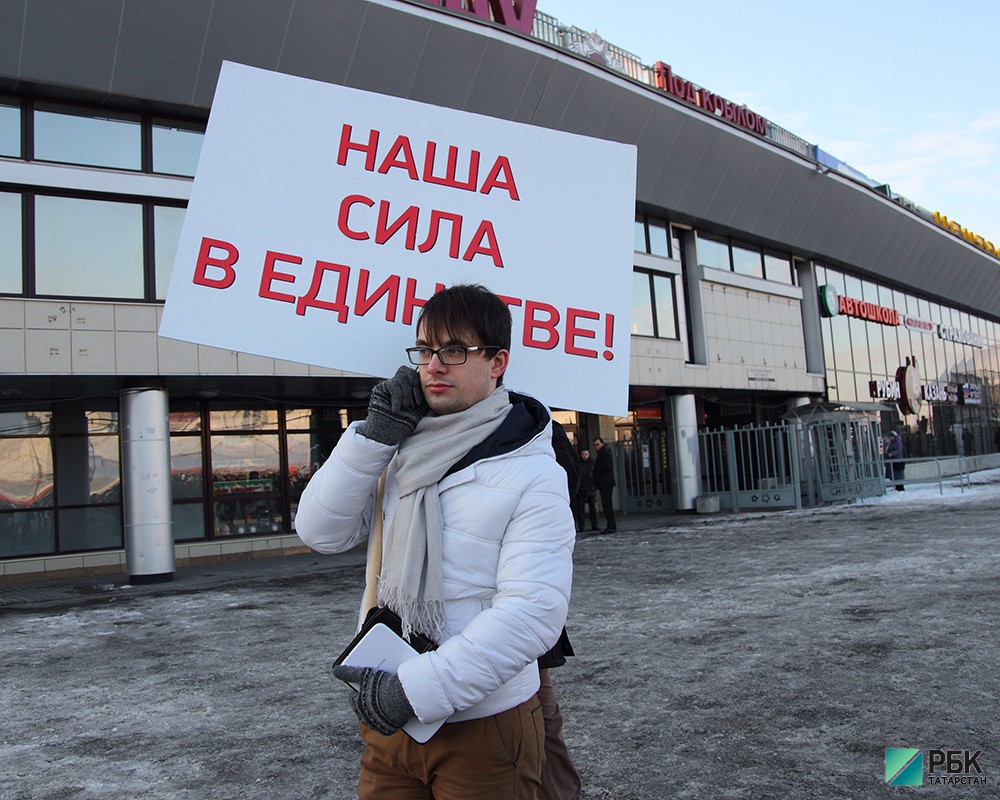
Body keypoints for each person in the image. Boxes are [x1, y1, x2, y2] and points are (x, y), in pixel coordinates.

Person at [294, 283, 575, 800]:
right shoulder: (400, 448)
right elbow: (320, 532)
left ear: (497, 362)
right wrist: (373, 438)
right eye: (425, 350)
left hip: (482, 725)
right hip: (389, 721)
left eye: (454, 350)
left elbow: (532, 613)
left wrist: (416, 689)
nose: (434, 365)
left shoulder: (534, 470)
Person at [592, 436, 617, 533]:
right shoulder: (603, 453)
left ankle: (611, 526)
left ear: (602, 444)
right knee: (606, 504)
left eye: (597, 444)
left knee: (607, 504)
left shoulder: (605, 453)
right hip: (604, 483)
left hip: (605, 483)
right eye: (594, 445)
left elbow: (606, 467)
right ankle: (611, 525)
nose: (596, 447)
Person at [572, 449, 599, 532]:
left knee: (592, 509)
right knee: (580, 510)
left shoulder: (592, 462)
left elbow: (596, 474)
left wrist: (594, 485)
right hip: (582, 489)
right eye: (583, 454)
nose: (585, 456)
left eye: (586, 454)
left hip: (590, 488)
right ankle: (581, 527)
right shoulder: (578, 463)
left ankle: (594, 525)